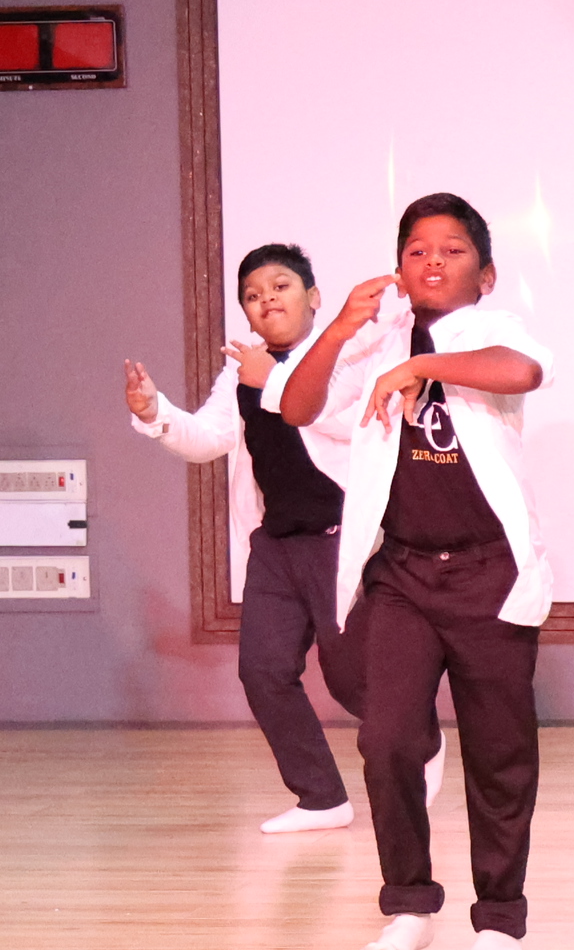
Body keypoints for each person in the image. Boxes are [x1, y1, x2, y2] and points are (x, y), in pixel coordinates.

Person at [280, 194, 553, 950]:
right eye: (417, 251)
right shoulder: (374, 342)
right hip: (402, 573)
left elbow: (524, 371)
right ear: (399, 268)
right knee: (387, 739)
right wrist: (340, 329)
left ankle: (499, 917)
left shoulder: (494, 333)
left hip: (490, 573)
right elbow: (296, 406)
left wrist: (420, 367)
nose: (433, 261)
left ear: (485, 274)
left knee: (499, 751)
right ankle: (408, 905)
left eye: (453, 250)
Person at [123, 242, 395, 833]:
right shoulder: (241, 368)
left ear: (313, 297)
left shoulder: (353, 354)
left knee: (349, 677)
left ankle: (416, 742)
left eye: (280, 286)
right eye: (252, 295)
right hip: (274, 543)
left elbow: (357, 425)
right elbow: (209, 438)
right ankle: (321, 798)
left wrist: (276, 380)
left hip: (338, 535)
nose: (266, 299)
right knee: (263, 670)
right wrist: (153, 412)